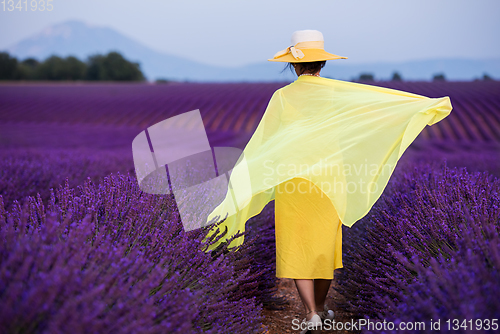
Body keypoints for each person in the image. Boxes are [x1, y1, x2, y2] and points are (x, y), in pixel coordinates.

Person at [203, 30, 452, 334]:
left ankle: (310, 313)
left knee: (296, 245)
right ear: (323, 63)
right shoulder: (336, 94)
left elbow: (266, 141)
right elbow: (372, 114)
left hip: (294, 180)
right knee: (323, 248)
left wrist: (249, 173)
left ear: (294, 66)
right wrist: (418, 107)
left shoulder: (281, 97)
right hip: (329, 180)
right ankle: (319, 309)